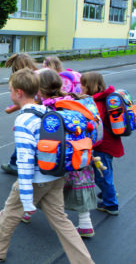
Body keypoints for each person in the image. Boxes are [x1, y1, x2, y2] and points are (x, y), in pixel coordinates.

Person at [0, 68, 95, 264]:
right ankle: (85, 262)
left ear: (19, 92)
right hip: (57, 176)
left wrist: (26, 200)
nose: (10, 94)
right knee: (62, 221)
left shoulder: (24, 120)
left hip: (36, 180)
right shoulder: (48, 111)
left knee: (8, 215)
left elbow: (24, 161)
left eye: (10, 90)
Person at [23, 70, 97, 237]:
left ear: (39, 90)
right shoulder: (74, 100)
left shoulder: (46, 108)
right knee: (79, 185)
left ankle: (26, 212)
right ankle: (86, 224)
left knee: (41, 186)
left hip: (58, 158)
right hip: (80, 153)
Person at [80, 72, 124, 215]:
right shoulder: (104, 99)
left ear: (89, 86)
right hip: (109, 144)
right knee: (104, 173)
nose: (80, 87)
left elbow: (93, 125)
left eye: (83, 84)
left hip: (103, 146)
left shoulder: (97, 104)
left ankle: (111, 204)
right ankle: (108, 193)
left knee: (102, 175)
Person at [1, 53, 39, 175]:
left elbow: (30, 99)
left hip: (34, 115)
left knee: (25, 136)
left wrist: (11, 109)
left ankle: (16, 164)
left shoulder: (30, 78)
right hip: (44, 113)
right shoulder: (39, 73)